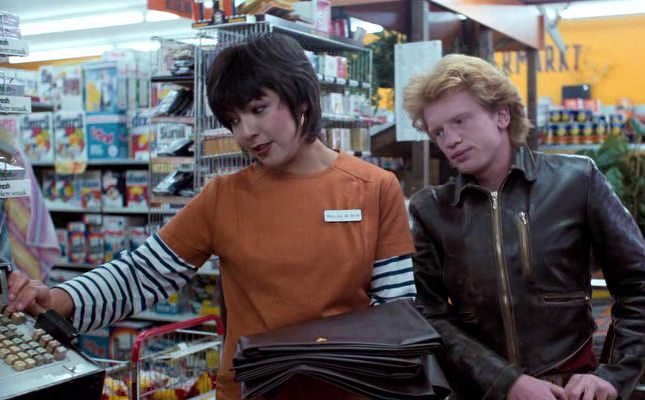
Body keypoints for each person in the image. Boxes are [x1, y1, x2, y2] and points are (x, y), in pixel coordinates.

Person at [7, 33, 416, 400]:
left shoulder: (376, 187)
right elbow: (141, 274)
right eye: (233, 120)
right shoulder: (225, 196)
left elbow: (395, 313)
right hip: (252, 391)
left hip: (349, 391)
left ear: (302, 97)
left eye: (258, 108)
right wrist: (60, 300)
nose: (245, 132)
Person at [402, 54, 645, 400]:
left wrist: (614, 374)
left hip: (570, 390)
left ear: (502, 115)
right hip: (484, 392)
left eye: (460, 121)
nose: (450, 139)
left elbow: (640, 286)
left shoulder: (576, 181)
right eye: (438, 132)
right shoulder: (432, 209)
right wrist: (507, 382)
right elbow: (429, 314)